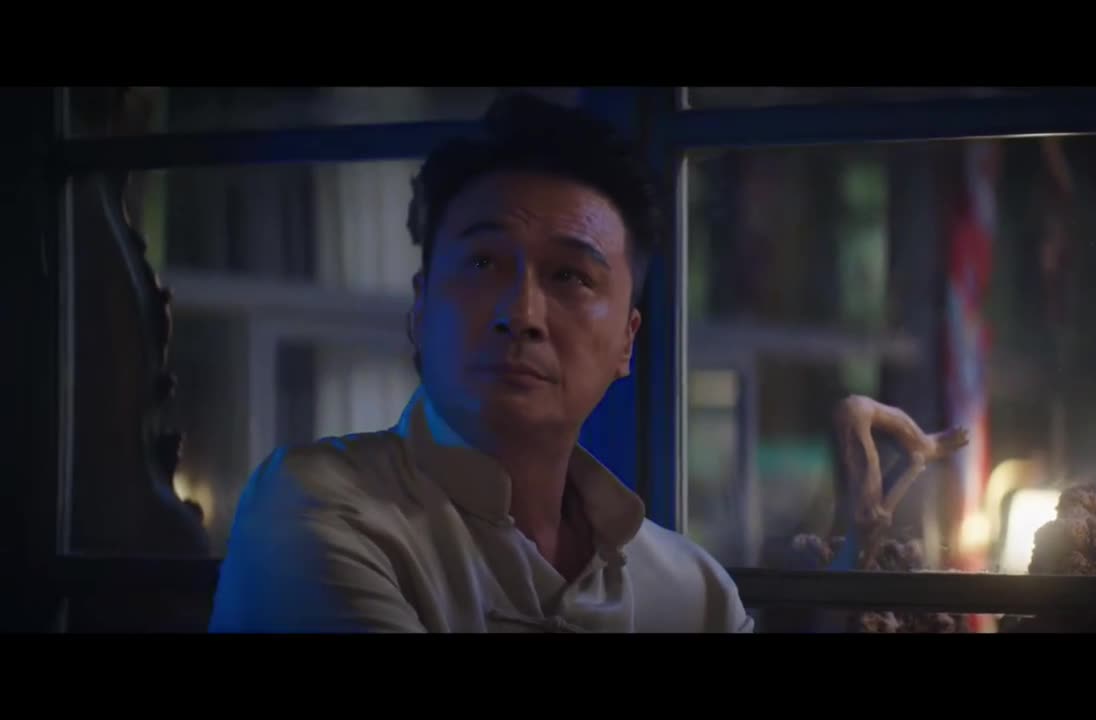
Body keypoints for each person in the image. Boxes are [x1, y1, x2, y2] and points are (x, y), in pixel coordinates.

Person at [208, 93, 755, 633]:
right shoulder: (319, 506)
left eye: (569, 276)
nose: (521, 315)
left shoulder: (695, 592)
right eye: (482, 263)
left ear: (626, 343)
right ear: (420, 308)